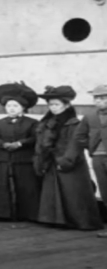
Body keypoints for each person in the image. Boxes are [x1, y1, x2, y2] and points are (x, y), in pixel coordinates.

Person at [33, 85, 103, 231]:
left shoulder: (74, 123)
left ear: (67, 105)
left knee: (73, 191)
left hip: (71, 160)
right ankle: (56, 219)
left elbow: (76, 142)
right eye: (51, 105)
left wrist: (67, 160)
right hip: (52, 160)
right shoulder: (47, 122)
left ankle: (80, 220)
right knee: (53, 190)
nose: (53, 108)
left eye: (57, 104)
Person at [0, 82, 41, 222]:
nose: (11, 109)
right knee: (3, 185)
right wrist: (2, 144)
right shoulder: (0, 122)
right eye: (9, 106)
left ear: (23, 108)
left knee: (26, 185)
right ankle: (3, 213)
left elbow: (35, 137)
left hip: (24, 159)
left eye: (15, 106)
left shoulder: (32, 123)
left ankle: (28, 213)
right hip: (5, 158)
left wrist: (20, 143)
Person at [72, 85, 107, 238]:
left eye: (103, 98)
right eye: (96, 98)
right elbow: (79, 136)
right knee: (105, 190)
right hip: (98, 158)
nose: (99, 101)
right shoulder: (90, 116)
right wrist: (91, 147)